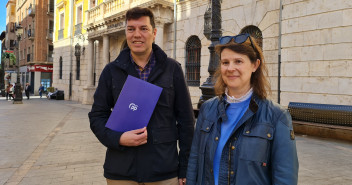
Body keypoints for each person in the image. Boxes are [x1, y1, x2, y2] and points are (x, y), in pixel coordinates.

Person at [88, 7, 195, 185]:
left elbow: (186, 121)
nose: (137, 34)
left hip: (163, 170)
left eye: (143, 29)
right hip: (121, 170)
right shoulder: (111, 71)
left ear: (154, 32)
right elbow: (97, 116)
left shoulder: (172, 69)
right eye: (131, 29)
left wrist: (185, 166)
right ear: (126, 32)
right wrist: (119, 138)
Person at [186, 33, 299, 185]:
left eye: (238, 61)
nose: (230, 68)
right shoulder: (207, 109)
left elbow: (285, 177)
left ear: (255, 65)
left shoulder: (277, 116)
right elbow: (194, 161)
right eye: (225, 62)